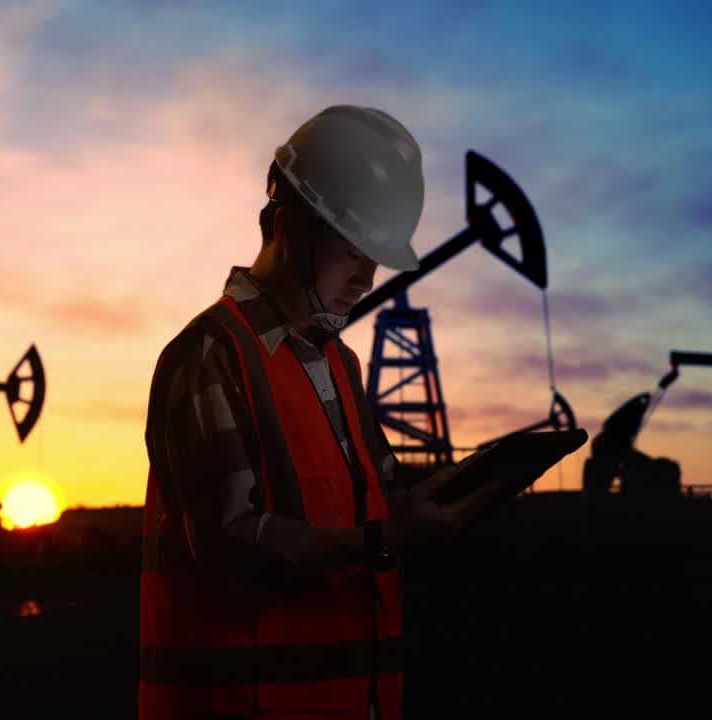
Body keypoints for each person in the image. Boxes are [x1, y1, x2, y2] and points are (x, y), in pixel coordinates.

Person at [140, 105, 503, 720]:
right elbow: (232, 550)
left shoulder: (341, 366)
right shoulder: (208, 356)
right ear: (287, 227)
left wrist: (451, 493)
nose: (367, 275)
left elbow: (377, 502)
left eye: (377, 254)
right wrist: (389, 538)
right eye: (352, 248)